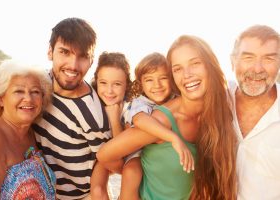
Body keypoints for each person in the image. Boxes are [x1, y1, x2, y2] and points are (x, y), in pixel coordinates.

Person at [97, 35, 237, 200]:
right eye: (178, 68)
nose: (187, 74)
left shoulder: (226, 106)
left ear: (210, 65)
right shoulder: (162, 120)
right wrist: (129, 169)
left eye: (195, 63)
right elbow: (105, 155)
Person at [32, 18, 111, 200]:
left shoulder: (93, 114)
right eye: (65, 52)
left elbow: (105, 164)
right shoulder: (38, 84)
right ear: (50, 51)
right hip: (43, 192)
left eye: (82, 56)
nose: (73, 65)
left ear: (91, 61)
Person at [0, 60, 55, 199]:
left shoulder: (31, 133)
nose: (28, 98)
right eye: (19, 91)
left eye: (35, 92)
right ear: (0, 98)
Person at [229, 25, 280, 199]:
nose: (257, 69)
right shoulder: (216, 100)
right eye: (248, 57)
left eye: (268, 59)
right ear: (232, 62)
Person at [90, 51, 132, 199]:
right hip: (98, 158)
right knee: (97, 191)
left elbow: (123, 153)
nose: (109, 91)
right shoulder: (92, 103)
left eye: (117, 84)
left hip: (116, 161)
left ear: (127, 85)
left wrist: (114, 118)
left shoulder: (129, 110)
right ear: (96, 81)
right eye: (103, 83)